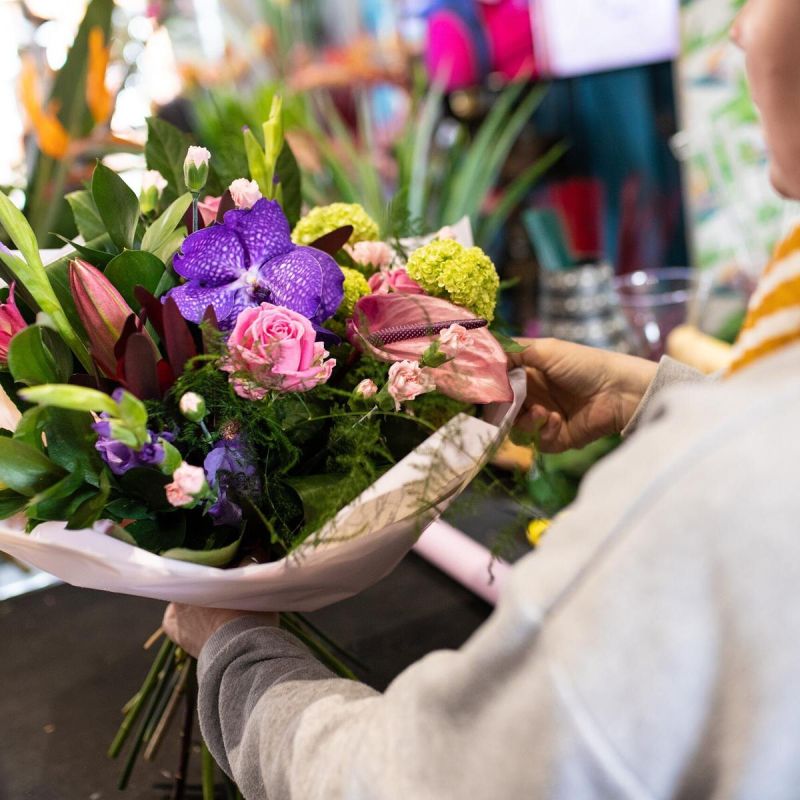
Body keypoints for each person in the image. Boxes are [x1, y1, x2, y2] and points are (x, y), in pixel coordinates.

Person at [163, 1, 800, 796]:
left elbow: (434, 780)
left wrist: (236, 657)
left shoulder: (714, 488)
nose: (735, 29)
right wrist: (660, 395)